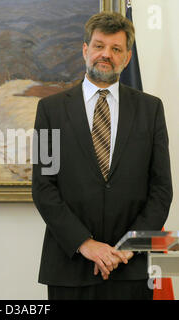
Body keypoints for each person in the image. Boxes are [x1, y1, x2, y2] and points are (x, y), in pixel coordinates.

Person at [32, 12, 172, 300]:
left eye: (116, 49)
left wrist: (128, 248)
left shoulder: (151, 109)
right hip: (70, 265)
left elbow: (161, 190)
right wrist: (85, 244)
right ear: (85, 49)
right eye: (99, 45)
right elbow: (44, 187)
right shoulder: (51, 109)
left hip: (132, 268)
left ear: (127, 58)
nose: (105, 54)